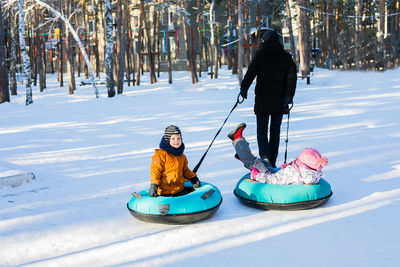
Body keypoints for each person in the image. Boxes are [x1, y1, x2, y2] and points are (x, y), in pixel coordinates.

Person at [239, 30, 297, 168]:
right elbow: (292, 79)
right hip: (279, 101)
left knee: (262, 130)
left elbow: (250, 73)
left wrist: (244, 89)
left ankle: (265, 157)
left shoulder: (260, 56)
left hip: (263, 100)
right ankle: (272, 159)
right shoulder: (286, 57)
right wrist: (289, 97)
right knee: (275, 131)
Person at [228, 123, 328, 185]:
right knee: (265, 164)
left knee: (255, 163)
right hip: (278, 173)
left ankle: (237, 139)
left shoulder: (294, 173)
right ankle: (242, 156)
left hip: (271, 177)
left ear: (303, 163)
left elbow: (273, 180)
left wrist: (256, 176)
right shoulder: (311, 173)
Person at [149, 125, 201, 197]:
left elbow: (185, 170)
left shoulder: (182, 156)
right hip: (164, 192)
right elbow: (155, 171)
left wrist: (193, 178)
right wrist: (154, 185)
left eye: (178, 138)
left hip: (180, 190)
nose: (176, 141)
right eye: (173, 138)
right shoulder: (160, 155)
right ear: (167, 140)